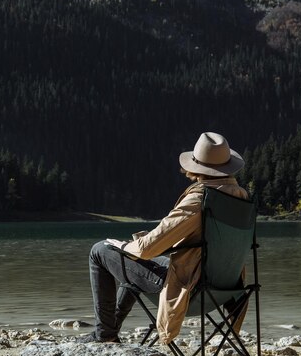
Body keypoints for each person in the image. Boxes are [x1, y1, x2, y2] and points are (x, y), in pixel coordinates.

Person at [78, 132, 248, 344]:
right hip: (225, 290)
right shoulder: (240, 196)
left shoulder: (201, 199)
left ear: (197, 167)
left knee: (100, 251)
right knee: (130, 259)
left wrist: (126, 246)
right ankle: (109, 332)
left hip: (190, 290)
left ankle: (105, 335)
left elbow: (149, 248)